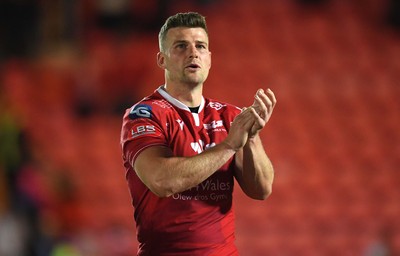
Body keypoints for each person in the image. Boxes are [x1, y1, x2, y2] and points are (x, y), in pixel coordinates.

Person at [120, 12, 277, 255]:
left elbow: (261, 190)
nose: (193, 53)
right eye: (181, 46)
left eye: (200, 46)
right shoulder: (144, 114)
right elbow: (162, 181)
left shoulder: (230, 116)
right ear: (162, 60)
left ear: (209, 58)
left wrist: (252, 138)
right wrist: (228, 146)